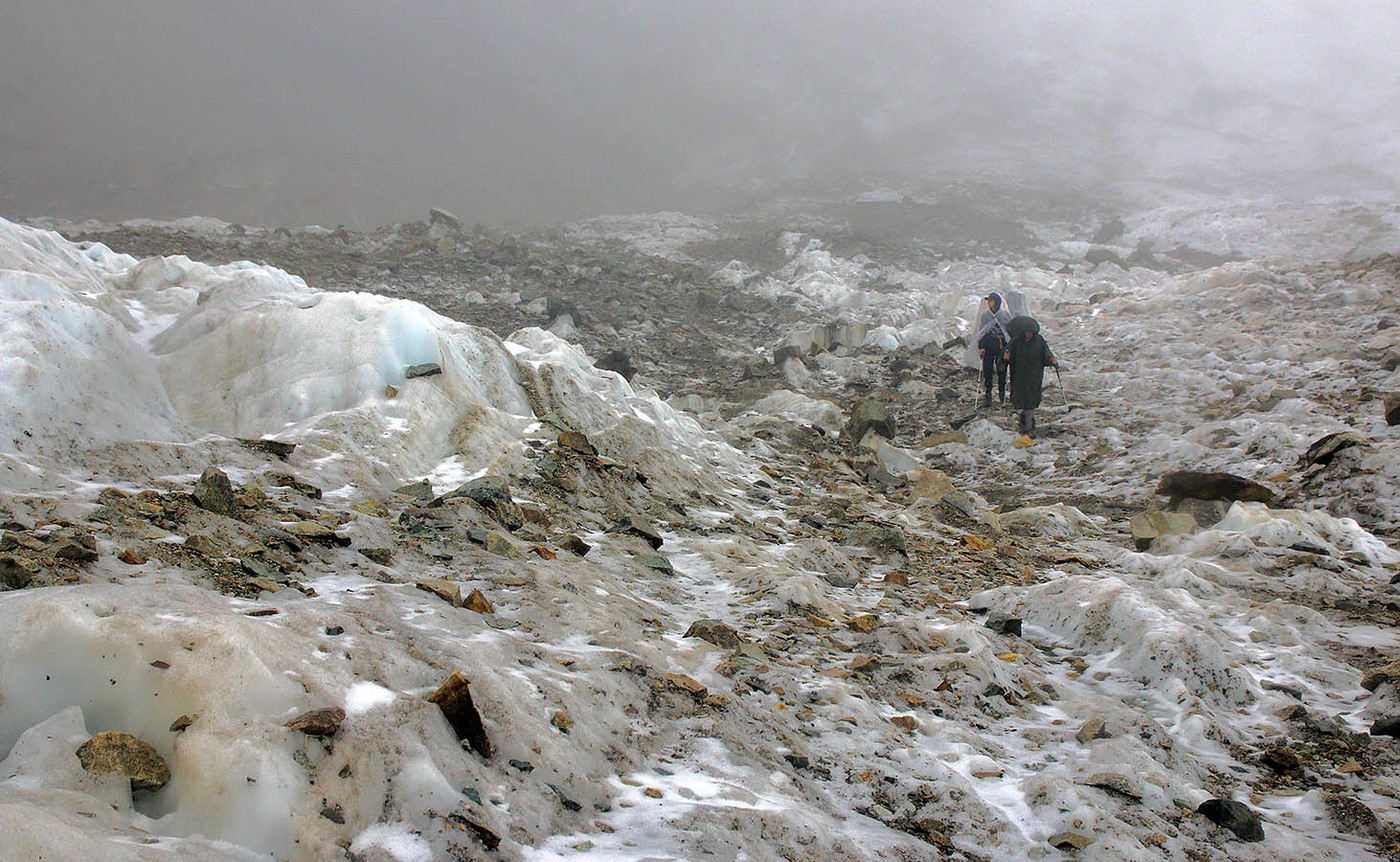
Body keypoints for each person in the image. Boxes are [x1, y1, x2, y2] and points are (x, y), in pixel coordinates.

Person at [1004, 317, 1057, 436]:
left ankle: (1030, 426)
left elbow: (1046, 353)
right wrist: (1005, 358)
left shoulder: (1039, 341)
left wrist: (1051, 360)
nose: (1028, 335)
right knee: (1020, 400)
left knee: (1031, 401)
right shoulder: (1016, 341)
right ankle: (1024, 423)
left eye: (1030, 333)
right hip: (1018, 376)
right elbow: (1006, 354)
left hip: (1034, 376)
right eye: (1027, 332)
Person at [974, 293, 1011, 406]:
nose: (988, 303)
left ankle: (1002, 395)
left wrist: (1008, 349)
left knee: (1002, 370)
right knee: (987, 370)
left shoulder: (1005, 315)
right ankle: (988, 394)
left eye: (990, 300)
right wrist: (981, 347)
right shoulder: (985, 315)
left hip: (1001, 345)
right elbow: (982, 332)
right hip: (989, 344)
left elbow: (1008, 332)